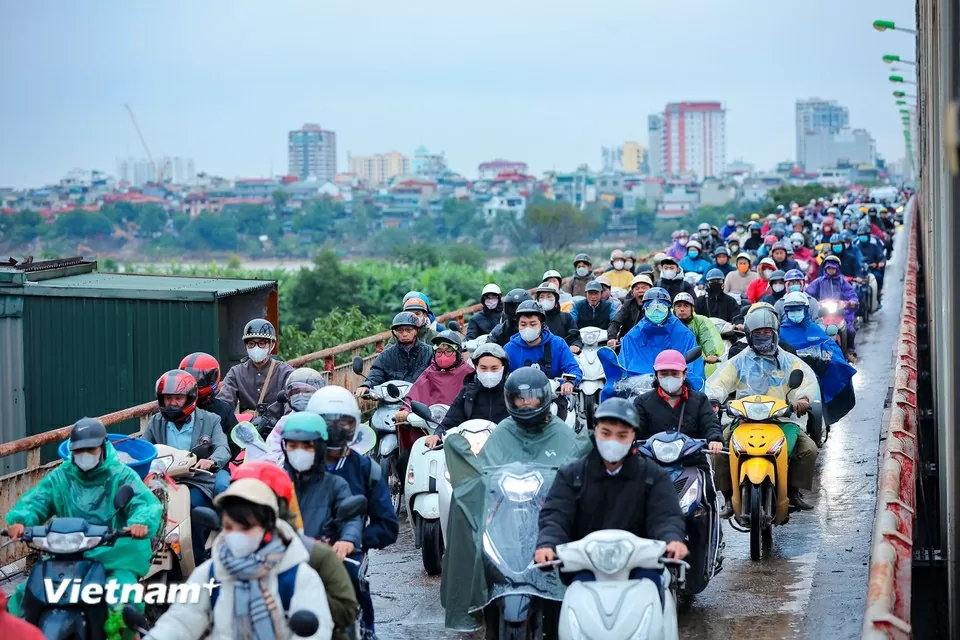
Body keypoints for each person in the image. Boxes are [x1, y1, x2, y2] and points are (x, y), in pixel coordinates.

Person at [440, 367, 592, 630]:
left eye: (531, 398)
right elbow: (483, 477)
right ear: (509, 400)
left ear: (544, 398)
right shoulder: (503, 431)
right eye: (520, 399)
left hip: (549, 525)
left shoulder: (561, 432)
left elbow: (575, 474)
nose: (526, 403)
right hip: (506, 525)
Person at [5, 418, 162, 616]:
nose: (84, 455)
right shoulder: (61, 476)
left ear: (103, 447)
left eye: (91, 450)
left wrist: (140, 523)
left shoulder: (122, 475)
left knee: (124, 602)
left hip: (112, 556)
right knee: (25, 595)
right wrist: (20, 521)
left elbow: (143, 503)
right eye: (79, 451)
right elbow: (38, 500)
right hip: (67, 554)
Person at [145, 478, 335, 640]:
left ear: (268, 528)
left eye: (246, 528)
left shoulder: (297, 576)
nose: (235, 535)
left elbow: (317, 633)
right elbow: (181, 621)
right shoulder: (211, 572)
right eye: (228, 527)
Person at [534, 397, 688, 578]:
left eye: (622, 435)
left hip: (640, 568)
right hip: (586, 568)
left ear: (633, 436)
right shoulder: (571, 475)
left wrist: (671, 539)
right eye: (606, 433)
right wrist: (548, 543)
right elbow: (556, 514)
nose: (612, 441)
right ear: (595, 431)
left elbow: (666, 515)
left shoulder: (653, 476)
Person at [705, 306, 821, 513]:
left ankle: (793, 491)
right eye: (757, 334)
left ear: (775, 334)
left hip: (782, 419)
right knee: (720, 450)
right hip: (744, 419)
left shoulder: (788, 360)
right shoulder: (738, 361)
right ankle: (729, 497)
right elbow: (719, 382)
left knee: (808, 449)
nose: (763, 337)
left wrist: (802, 399)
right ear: (749, 336)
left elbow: (806, 381)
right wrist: (714, 399)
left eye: (767, 333)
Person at [307, 387, 399, 640]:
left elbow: (388, 527)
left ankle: (365, 633)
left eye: (344, 422)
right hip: (302, 548)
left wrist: (353, 541)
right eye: (328, 422)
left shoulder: (366, 469)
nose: (336, 429)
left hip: (348, 553)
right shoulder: (298, 464)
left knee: (353, 586)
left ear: (355, 424)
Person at [231, 462, 359, 640]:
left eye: (252, 505)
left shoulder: (315, 556)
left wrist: (298, 596)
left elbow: (346, 612)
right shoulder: (219, 562)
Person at [142, 369, 231, 562]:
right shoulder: (155, 422)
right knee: (146, 511)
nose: (172, 403)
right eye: (168, 398)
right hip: (163, 481)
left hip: (197, 479)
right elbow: (143, 450)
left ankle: (196, 561)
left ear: (190, 398)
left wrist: (212, 461)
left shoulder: (211, 420)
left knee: (192, 511)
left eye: (178, 398)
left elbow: (223, 448)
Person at [634, 350, 723, 502]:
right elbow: (635, 430)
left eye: (674, 373)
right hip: (654, 464)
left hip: (692, 461)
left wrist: (715, 439)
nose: (669, 377)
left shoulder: (699, 400)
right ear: (656, 375)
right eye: (664, 373)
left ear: (684, 373)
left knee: (707, 493)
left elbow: (710, 423)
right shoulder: (643, 402)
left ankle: (709, 524)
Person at [282, 413, 363, 560]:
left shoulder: (335, 485)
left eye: (307, 446)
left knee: (351, 574)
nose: (299, 452)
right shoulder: (275, 484)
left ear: (320, 448)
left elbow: (351, 520)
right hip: (282, 562)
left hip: (324, 559)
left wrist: (347, 539)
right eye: (292, 446)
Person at [779, 292, 857, 424]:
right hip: (785, 375)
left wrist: (827, 356)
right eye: (791, 310)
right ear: (786, 312)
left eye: (798, 309)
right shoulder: (780, 332)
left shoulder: (815, 330)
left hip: (812, 375)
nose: (795, 313)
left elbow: (832, 349)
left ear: (805, 310)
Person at [395, 331, 475, 452]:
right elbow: (414, 394)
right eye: (439, 352)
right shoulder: (429, 372)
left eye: (448, 351)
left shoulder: (468, 373)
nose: (443, 355)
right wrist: (405, 410)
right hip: (429, 428)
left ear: (458, 352)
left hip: (459, 429)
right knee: (406, 459)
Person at [617, 288, 706, 393]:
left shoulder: (685, 335)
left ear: (668, 309)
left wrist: (686, 383)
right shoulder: (632, 337)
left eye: (661, 308)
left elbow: (695, 372)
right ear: (644, 309)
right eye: (651, 308)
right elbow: (622, 371)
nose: (656, 312)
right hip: (640, 392)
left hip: (677, 391)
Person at [426, 342, 510, 448]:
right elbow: (451, 420)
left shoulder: (512, 394)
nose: (488, 373)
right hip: (472, 450)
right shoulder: (467, 393)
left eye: (494, 368)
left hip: (505, 450)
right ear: (476, 368)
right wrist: (437, 435)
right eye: (483, 368)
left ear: (504, 368)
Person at [218, 319, 294, 415]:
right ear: (246, 345)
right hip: (247, 428)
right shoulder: (236, 372)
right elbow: (224, 405)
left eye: (262, 343)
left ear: (272, 344)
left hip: (278, 427)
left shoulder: (285, 372)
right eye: (251, 343)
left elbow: (292, 409)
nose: (256, 347)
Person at [503, 301, 582, 391]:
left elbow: (573, 368)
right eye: (523, 324)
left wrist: (569, 382)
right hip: (519, 399)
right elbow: (502, 375)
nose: (527, 328)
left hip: (553, 397)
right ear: (517, 325)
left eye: (533, 324)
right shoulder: (509, 349)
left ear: (542, 325)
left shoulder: (558, 344)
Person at [355, 312, 432, 397]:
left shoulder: (429, 352)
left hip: (421, 401)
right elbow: (376, 373)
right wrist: (367, 385)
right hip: (391, 401)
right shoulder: (386, 355)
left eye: (408, 330)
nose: (404, 334)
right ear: (395, 332)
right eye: (400, 330)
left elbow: (437, 376)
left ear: (416, 330)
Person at [805, 255, 860, 360]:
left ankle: (849, 350)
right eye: (829, 268)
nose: (831, 270)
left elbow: (851, 293)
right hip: (823, 313)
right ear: (825, 268)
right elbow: (808, 293)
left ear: (837, 269)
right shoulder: (819, 281)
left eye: (833, 268)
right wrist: (807, 300)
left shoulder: (842, 282)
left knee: (850, 330)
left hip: (840, 313)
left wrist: (853, 301)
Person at [180, 352, 238, 447]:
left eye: (200, 378)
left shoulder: (222, 410)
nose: (194, 382)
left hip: (212, 460)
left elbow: (234, 445)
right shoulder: (172, 411)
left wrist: (215, 458)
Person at [672, 292, 723, 376]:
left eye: (686, 306)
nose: (682, 309)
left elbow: (708, 337)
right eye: (679, 306)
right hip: (671, 362)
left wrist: (712, 354)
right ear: (674, 308)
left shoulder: (700, 321)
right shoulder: (668, 322)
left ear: (692, 308)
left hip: (694, 362)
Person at [606, 273, 653, 346]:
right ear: (633, 292)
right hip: (628, 343)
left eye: (644, 288)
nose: (640, 290)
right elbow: (615, 322)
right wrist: (612, 337)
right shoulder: (628, 305)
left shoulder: (657, 306)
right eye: (637, 288)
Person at [535, 284, 582, 351]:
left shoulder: (566, 317)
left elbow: (576, 337)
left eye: (549, 296)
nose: (545, 300)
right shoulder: (534, 319)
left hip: (561, 355)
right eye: (541, 297)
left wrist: (575, 345)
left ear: (556, 299)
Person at [857, 221, 887, 306]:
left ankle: (877, 296)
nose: (863, 237)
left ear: (868, 236)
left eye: (864, 236)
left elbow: (881, 257)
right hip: (859, 272)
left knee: (878, 277)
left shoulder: (874, 247)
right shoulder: (856, 248)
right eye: (861, 236)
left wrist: (881, 263)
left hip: (872, 270)